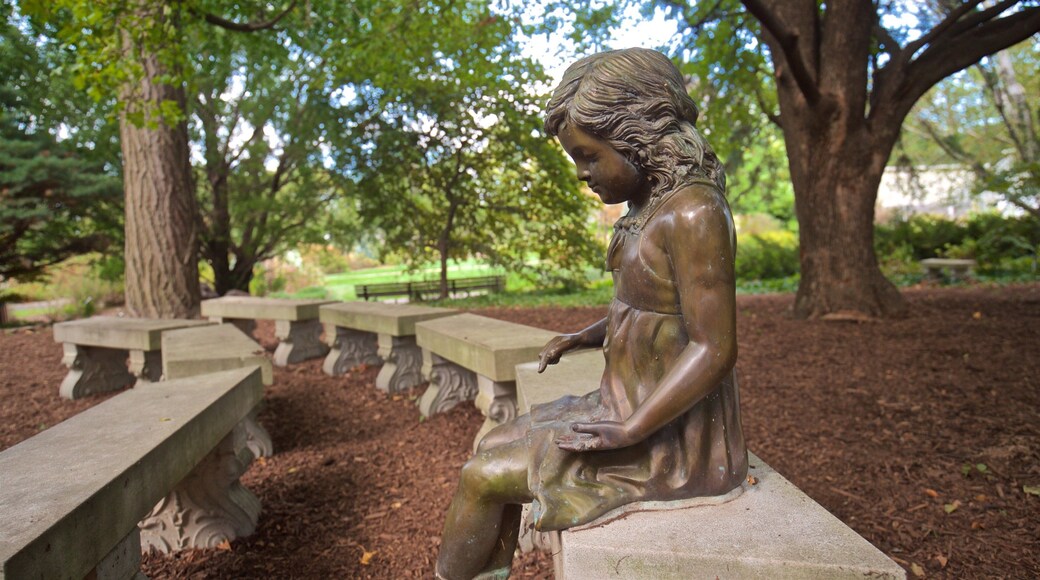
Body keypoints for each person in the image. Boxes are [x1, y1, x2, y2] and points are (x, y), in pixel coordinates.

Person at [435, 48, 747, 580]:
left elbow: (713, 346)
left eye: (588, 155)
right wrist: (582, 336)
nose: (582, 174)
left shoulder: (693, 212)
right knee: (492, 442)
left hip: (669, 437)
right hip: (624, 404)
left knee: (480, 477)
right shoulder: (644, 209)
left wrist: (629, 430)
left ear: (638, 136)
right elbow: (647, 312)